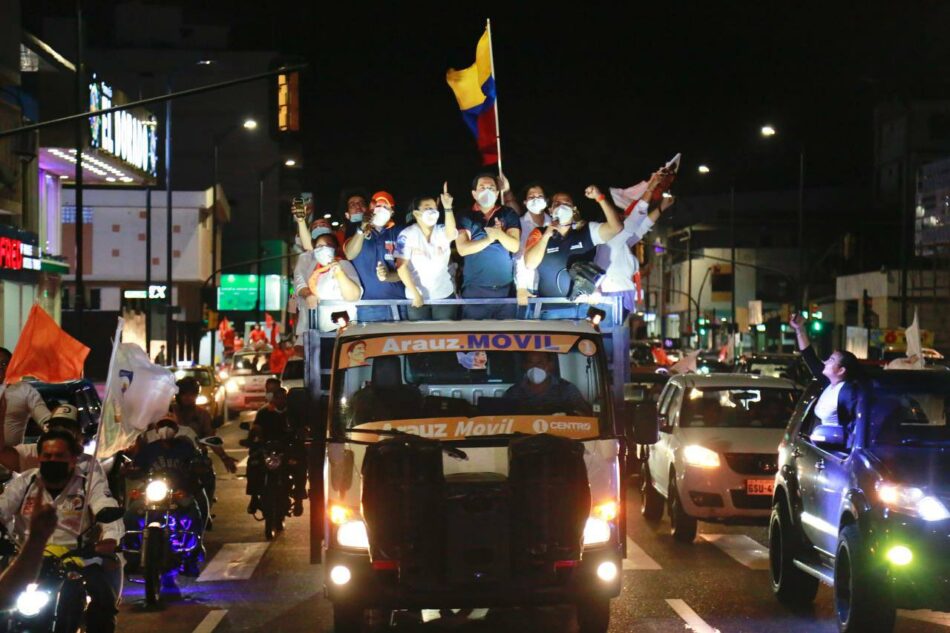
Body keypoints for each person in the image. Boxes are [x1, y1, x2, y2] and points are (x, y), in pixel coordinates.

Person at [0, 429, 124, 632]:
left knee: (102, 597)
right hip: (26, 560)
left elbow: (104, 504)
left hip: (77, 560)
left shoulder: (87, 483)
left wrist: (110, 538)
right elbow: (3, 506)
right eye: (47, 456)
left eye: (59, 456)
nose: (52, 460)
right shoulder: (25, 482)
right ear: (39, 457)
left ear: (73, 459)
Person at [523, 186, 622, 319]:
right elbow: (529, 264)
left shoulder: (587, 232)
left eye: (566, 204)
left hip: (581, 308)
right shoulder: (539, 233)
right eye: (557, 204)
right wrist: (546, 235)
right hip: (548, 310)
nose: (561, 206)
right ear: (550, 210)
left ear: (574, 209)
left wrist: (600, 198)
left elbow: (616, 227)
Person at [126, 417, 208, 575]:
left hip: (178, 491)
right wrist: (129, 470)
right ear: (156, 430)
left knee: (194, 515)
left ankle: (191, 558)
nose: (165, 429)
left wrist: (199, 466)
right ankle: (133, 557)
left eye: (169, 426)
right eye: (161, 425)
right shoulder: (149, 450)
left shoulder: (185, 447)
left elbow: (198, 464)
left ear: (176, 430)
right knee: (131, 514)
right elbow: (137, 467)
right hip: (153, 491)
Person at [594, 168, 675, 318]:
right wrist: (651, 188)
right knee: (613, 339)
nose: (624, 218)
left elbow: (643, 226)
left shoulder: (621, 242)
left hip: (621, 296)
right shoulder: (611, 240)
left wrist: (661, 207)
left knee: (619, 338)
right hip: (611, 297)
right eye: (620, 217)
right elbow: (637, 217)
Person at [456, 173, 521, 319]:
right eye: (482, 187)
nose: (487, 191)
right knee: (474, 338)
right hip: (475, 290)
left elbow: (514, 246)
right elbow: (463, 249)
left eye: (491, 188)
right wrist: (489, 239)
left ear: (497, 193)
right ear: (474, 193)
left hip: (506, 289)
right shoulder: (465, 216)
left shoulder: (508, 213)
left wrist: (499, 234)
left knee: (507, 337)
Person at [395, 184, 459, 320]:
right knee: (419, 338)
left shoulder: (442, 230)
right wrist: (415, 293)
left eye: (435, 208)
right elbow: (401, 267)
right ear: (417, 213)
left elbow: (451, 232)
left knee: (445, 337)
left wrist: (448, 208)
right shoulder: (406, 235)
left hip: (444, 295)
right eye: (427, 208)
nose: (433, 211)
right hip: (417, 298)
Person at [789, 314, 864, 430]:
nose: (826, 362)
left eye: (831, 360)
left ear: (841, 370)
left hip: (835, 445)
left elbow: (856, 425)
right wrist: (800, 329)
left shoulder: (847, 392)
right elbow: (810, 357)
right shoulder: (829, 384)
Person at [343, 191, 406, 322]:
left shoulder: (400, 232)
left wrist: (388, 276)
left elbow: (407, 269)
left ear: (392, 211)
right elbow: (350, 254)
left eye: (385, 206)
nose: (381, 209)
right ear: (370, 209)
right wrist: (362, 229)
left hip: (401, 304)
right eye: (377, 206)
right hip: (368, 307)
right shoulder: (356, 231)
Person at [245, 388, 305, 516]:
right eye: (277, 398)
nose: (280, 401)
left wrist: (299, 438)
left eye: (283, 398)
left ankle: (299, 499)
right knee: (253, 463)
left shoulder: (293, 413)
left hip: (287, 449)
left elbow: (301, 430)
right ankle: (254, 497)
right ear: (273, 399)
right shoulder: (264, 413)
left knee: (299, 466)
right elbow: (256, 428)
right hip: (267, 449)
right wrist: (251, 440)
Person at [0, 483, 57, 609]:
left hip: (73, 560)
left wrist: (37, 538)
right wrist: (36, 539)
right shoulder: (27, 480)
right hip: (22, 551)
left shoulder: (89, 480)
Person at [294, 233, 363, 334]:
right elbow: (299, 284)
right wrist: (308, 294)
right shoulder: (311, 268)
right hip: (311, 331)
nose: (323, 249)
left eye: (328, 245)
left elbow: (354, 296)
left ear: (336, 249)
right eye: (319, 246)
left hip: (337, 331)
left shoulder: (344, 265)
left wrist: (340, 273)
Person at [171, 377, 237, 474]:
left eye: (191, 394)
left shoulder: (202, 414)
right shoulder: (170, 411)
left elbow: (210, 437)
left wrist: (224, 457)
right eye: (184, 394)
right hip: (172, 458)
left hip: (196, 458)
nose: (188, 397)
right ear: (178, 395)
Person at [504, 352, 593, 415]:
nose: (535, 367)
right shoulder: (513, 392)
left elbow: (584, 414)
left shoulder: (567, 389)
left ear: (550, 365)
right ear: (524, 365)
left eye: (540, 363)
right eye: (530, 362)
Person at [0, 347, 52, 447]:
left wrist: (58, 432)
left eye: (4, 364)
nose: (0, 367)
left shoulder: (25, 391)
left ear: (12, 366)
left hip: (11, 458)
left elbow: (45, 419)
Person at [515, 183, 551, 316]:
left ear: (547, 201)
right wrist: (521, 287)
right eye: (531, 197)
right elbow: (518, 257)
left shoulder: (554, 223)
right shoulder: (518, 224)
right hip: (528, 287)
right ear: (525, 202)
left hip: (550, 287)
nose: (536, 199)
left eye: (540, 196)